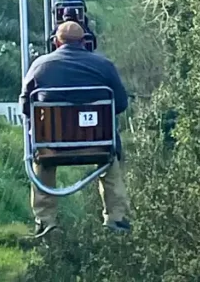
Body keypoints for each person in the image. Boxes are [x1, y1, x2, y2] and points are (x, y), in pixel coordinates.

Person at [20, 20, 131, 238]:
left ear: (56, 42)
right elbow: (121, 104)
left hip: (53, 146)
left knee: (42, 160)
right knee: (111, 161)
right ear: (83, 41)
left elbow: (25, 106)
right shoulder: (103, 65)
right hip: (97, 144)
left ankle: (45, 220)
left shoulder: (40, 65)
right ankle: (115, 217)